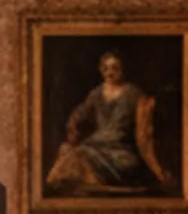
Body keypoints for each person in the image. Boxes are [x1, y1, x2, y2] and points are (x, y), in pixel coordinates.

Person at [45, 50, 173, 192]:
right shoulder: (96, 94)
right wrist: (73, 125)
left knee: (79, 154)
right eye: (106, 68)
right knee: (67, 150)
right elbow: (79, 113)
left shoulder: (133, 94)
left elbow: (145, 130)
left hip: (121, 153)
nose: (110, 72)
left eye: (115, 68)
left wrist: (157, 169)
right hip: (96, 145)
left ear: (122, 70)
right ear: (101, 70)